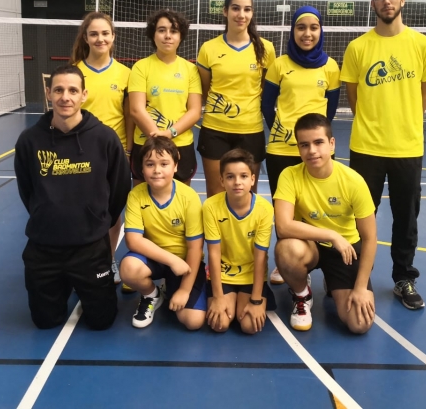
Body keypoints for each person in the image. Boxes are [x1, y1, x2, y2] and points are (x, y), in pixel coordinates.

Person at [340, 0, 426, 310]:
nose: (387, 0)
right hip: (366, 147)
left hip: (407, 148)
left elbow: (425, 96)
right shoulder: (357, 48)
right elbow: (354, 98)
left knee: (406, 218)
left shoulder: (423, 45)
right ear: (373, 3)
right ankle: (356, 276)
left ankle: (403, 278)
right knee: (359, 216)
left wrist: (402, 123)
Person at [14, 64, 130, 330]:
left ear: (84, 95)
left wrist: (97, 221)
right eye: (58, 90)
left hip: (90, 248)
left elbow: (120, 188)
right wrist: (46, 215)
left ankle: (78, 282)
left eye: (72, 90)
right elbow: (26, 189)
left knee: (101, 322)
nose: (65, 97)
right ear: (48, 93)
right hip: (44, 247)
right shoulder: (30, 140)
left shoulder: (105, 138)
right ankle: (62, 282)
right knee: (45, 322)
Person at [274, 113, 377, 334]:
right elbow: (283, 226)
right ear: (299, 148)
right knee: (287, 249)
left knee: (359, 324)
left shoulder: (353, 181)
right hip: (311, 246)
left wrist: (360, 287)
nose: (312, 150)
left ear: (331, 144)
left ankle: (333, 281)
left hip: (346, 251)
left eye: (318, 142)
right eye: (304, 145)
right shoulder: (289, 176)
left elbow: (370, 238)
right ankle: (302, 295)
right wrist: (332, 235)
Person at [261, 5, 340, 285]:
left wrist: (315, 140)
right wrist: (284, 133)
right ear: (293, 31)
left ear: (321, 31)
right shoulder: (279, 65)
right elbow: (267, 106)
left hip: (318, 151)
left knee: (317, 206)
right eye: (301, 27)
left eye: (313, 28)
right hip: (281, 151)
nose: (307, 33)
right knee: (286, 210)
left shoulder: (331, 67)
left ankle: (324, 263)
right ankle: (289, 263)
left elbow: (330, 110)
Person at [70, 11, 133, 285]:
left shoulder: (126, 74)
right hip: (80, 153)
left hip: (114, 154)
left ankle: (108, 260)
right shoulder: (75, 73)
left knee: (112, 211)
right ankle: (80, 261)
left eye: (105, 33)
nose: (100, 38)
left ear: (113, 36)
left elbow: (129, 116)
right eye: (94, 34)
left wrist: (127, 151)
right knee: (80, 210)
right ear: (85, 38)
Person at [118, 136, 207, 330]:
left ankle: (175, 286)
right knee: (129, 268)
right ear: (142, 169)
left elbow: (195, 248)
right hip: (156, 258)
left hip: (185, 263)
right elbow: (133, 241)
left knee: (193, 322)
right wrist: (171, 260)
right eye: (150, 164)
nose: (157, 170)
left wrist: (184, 290)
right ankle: (152, 295)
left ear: (175, 166)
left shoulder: (189, 197)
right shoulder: (136, 195)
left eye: (164, 164)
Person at [197, 0, 276, 197]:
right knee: (216, 195)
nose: (241, 14)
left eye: (247, 9)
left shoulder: (266, 49)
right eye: (235, 8)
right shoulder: (208, 49)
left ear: (252, 13)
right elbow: (205, 90)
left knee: (246, 195)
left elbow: (264, 89)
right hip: (215, 130)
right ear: (225, 11)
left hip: (250, 130)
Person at [203, 149, 276, 334]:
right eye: (230, 177)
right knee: (219, 324)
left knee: (249, 326)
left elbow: (260, 257)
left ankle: (248, 298)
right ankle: (228, 298)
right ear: (222, 180)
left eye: (243, 176)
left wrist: (256, 300)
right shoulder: (210, 206)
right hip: (224, 273)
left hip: (251, 274)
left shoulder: (265, 209)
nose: (237, 182)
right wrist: (218, 297)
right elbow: (214, 253)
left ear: (252, 179)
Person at [129, 9, 202, 187]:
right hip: (146, 143)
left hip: (180, 144)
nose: (168, 35)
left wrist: (169, 133)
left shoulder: (190, 70)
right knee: (142, 198)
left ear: (180, 36)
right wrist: (158, 140)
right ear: (153, 34)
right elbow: (136, 109)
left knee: (180, 198)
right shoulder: (141, 67)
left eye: (173, 31)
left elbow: (194, 111)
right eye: (162, 30)